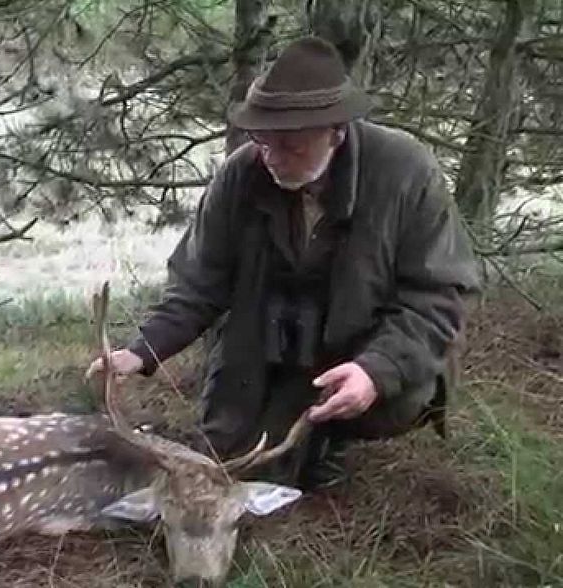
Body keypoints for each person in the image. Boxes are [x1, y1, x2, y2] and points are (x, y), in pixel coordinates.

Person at [86, 36, 481, 491]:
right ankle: (287, 426)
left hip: (362, 345)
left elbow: (439, 296)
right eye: (262, 140)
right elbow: (199, 282)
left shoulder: (405, 172)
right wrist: (141, 350)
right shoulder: (242, 173)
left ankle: (334, 437)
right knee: (227, 463)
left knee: (396, 394)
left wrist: (376, 370)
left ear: (336, 132)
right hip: (263, 348)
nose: (271, 157)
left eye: (290, 145)